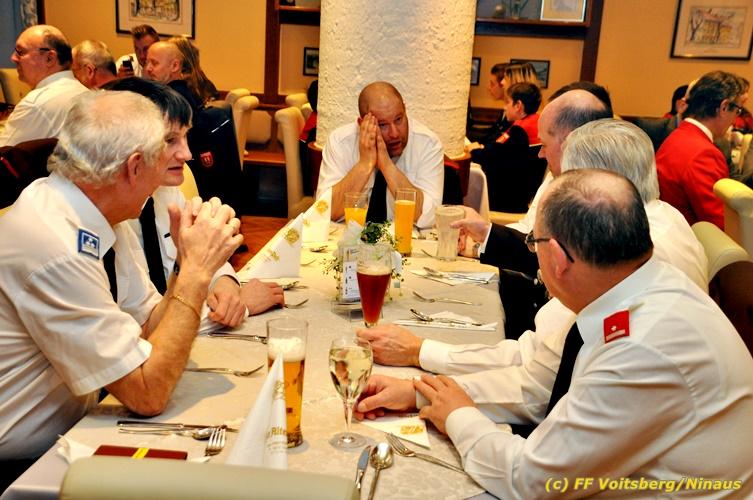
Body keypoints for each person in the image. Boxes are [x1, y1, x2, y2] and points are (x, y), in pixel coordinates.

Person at [355, 169, 753, 499]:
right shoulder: (640, 287)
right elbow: (541, 385)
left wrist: (458, 416)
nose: (532, 252)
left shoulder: (641, 349)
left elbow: (530, 479)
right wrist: (424, 392)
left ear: (559, 258)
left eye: (533, 241)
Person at [0, 91, 242, 481]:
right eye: (162, 153)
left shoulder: (95, 211)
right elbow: (147, 393)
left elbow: (147, 326)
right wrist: (198, 273)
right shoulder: (57, 246)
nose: (179, 158)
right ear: (134, 167)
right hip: (25, 467)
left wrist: (184, 262)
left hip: (78, 429)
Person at [359, 119, 708, 376]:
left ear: (600, 186)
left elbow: (540, 372)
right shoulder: (662, 219)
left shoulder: (625, 252)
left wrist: (421, 354)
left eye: (567, 181)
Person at [105, 77, 285, 325]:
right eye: (170, 140)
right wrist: (241, 308)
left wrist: (227, 286)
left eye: (186, 137)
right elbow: (139, 328)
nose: (188, 154)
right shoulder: (113, 213)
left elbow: (204, 255)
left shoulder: (165, 191)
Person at [457, 87, 613, 338]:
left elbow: (545, 258)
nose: (540, 153)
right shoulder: (558, 177)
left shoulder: (598, 202)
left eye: (545, 144)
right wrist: (484, 237)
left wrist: (485, 240)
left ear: (571, 141)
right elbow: (531, 235)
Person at [316, 81, 443, 228]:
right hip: (349, 239)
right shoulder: (340, 142)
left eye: (399, 119)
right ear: (362, 124)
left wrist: (387, 166)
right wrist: (364, 165)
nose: (394, 133)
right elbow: (323, 212)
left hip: (405, 239)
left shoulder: (428, 144)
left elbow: (430, 217)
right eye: (382, 125)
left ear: (405, 110)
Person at [657, 70, 748, 229]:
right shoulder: (704, 154)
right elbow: (722, 225)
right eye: (737, 111)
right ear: (724, 107)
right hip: (691, 239)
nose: (735, 119)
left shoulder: (677, 135)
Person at [0, 25, 88, 147]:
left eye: (21, 52)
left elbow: (3, 152)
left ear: (49, 58)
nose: (13, 58)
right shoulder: (85, 92)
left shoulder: (35, 104)